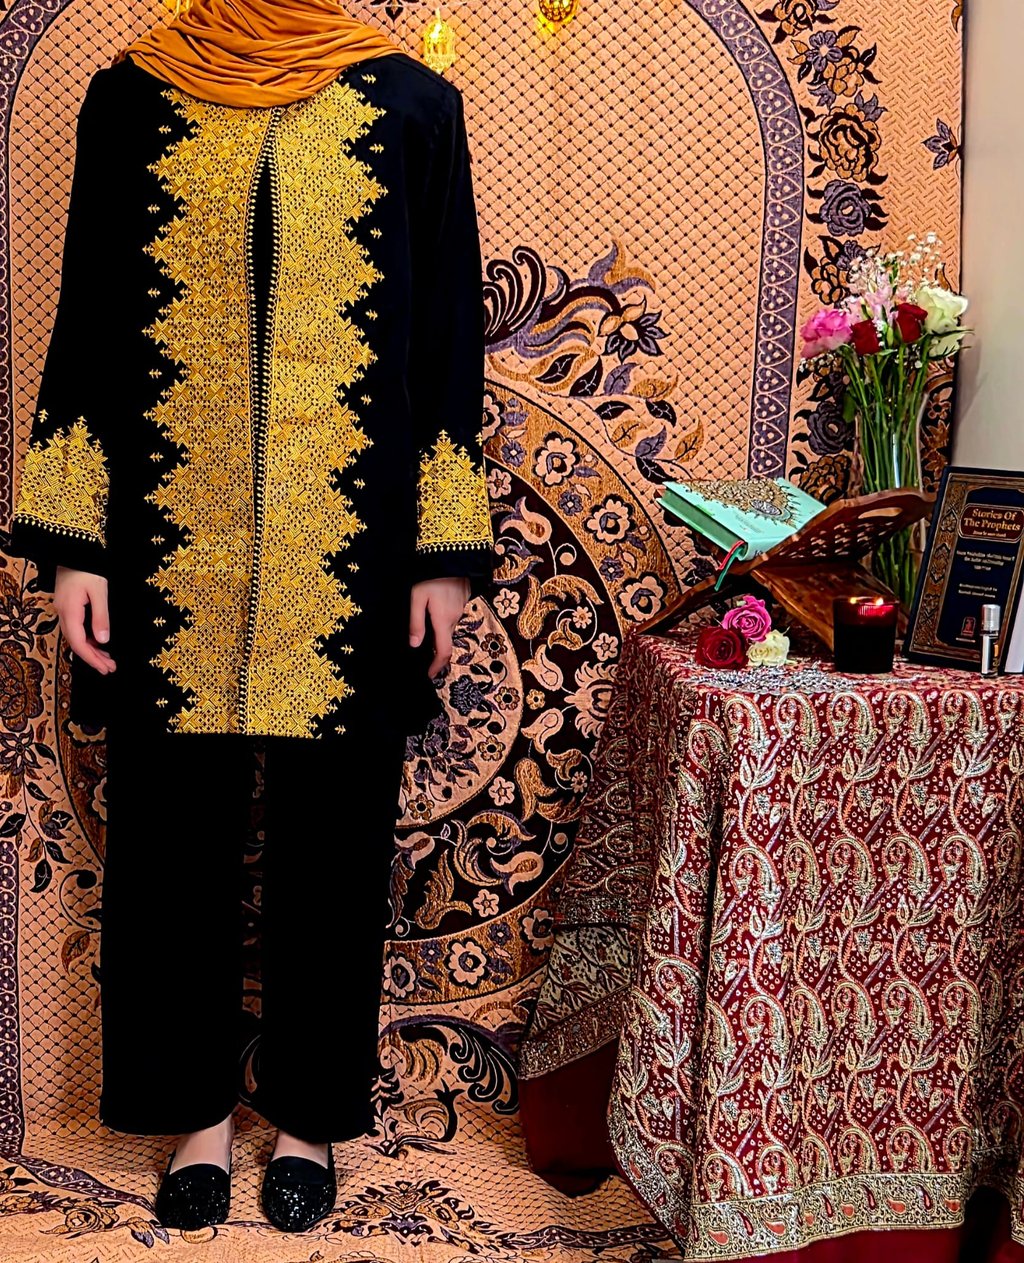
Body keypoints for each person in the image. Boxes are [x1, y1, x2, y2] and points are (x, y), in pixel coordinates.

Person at [5, 0, 495, 1235]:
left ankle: (312, 1119)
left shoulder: (411, 105)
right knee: (169, 838)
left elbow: (447, 335)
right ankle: (196, 1118)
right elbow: (89, 317)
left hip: (355, 546)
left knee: (337, 840)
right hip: (173, 544)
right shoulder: (134, 95)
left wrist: (442, 552)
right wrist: (76, 544)